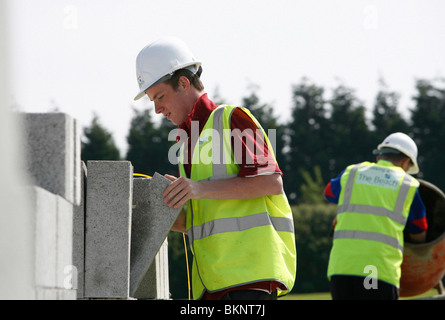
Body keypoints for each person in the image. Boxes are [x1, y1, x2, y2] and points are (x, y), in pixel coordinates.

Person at [133, 37, 296, 300]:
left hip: (248, 278)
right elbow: (199, 223)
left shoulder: (231, 118)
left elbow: (271, 182)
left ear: (184, 83)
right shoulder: (187, 142)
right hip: (212, 285)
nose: (156, 109)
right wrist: (167, 204)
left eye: (160, 96)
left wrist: (197, 188)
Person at [324, 132, 428, 300]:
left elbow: (329, 192)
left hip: (341, 270)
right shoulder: (407, 185)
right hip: (377, 271)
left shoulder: (352, 172)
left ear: (380, 157)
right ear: (406, 162)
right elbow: (420, 231)